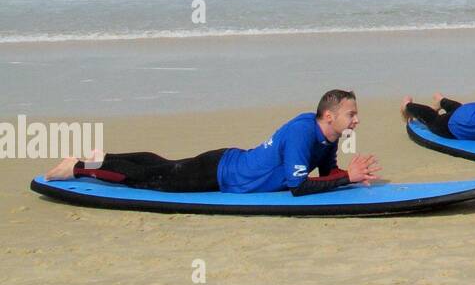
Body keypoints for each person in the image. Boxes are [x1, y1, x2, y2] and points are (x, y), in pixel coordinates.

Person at [43, 90, 381, 195]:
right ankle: (77, 167)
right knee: (153, 179)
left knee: (163, 164)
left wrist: (346, 174)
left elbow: (326, 171)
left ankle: (103, 156)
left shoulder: (325, 136)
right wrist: (346, 179)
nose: (356, 120)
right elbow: (298, 185)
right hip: (220, 174)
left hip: (227, 160)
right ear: (328, 116)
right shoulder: (302, 133)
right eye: (351, 114)